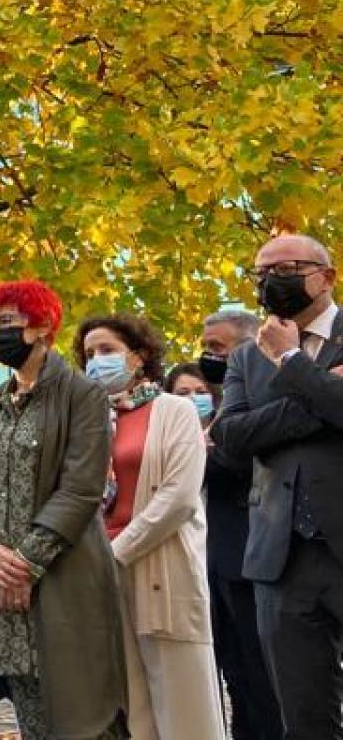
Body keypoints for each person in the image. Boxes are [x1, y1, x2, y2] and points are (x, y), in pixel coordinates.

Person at [0, 280, 125, 740]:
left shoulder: (82, 394)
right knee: (29, 712)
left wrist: (24, 566)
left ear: (44, 326)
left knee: (84, 715)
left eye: (7, 323)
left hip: (60, 581)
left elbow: (80, 489)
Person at [211, 234, 343, 740]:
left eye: (285, 267)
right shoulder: (246, 358)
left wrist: (292, 363)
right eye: (260, 272)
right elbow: (231, 437)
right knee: (306, 720)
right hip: (281, 559)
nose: (270, 281)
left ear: (326, 276)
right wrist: (322, 395)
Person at [77, 315, 223, 740]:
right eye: (88, 355)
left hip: (162, 566)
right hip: (107, 574)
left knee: (185, 707)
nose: (95, 362)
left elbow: (177, 497)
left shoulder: (174, 411)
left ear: (138, 357)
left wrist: (117, 551)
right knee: (136, 709)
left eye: (106, 351)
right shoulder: (95, 420)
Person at [182, 308, 283, 740]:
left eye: (217, 348)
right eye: (205, 348)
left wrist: (201, 450)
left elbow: (234, 460)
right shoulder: (204, 413)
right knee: (235, 681)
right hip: (211, 567)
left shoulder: (262, 399)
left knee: (266, 686)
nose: (209, 357)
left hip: (253, 560)